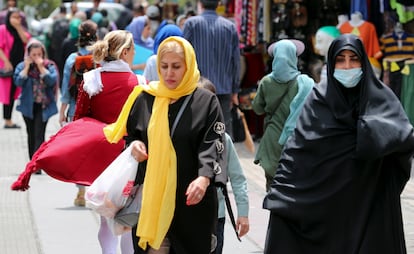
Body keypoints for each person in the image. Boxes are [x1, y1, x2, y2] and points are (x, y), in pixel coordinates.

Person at [262, 34, 414, 253]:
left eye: (354, 59)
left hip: (368, 204)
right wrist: (281, 196)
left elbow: (403, 139)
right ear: (331, 64)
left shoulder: (381, 100)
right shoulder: (317, 101)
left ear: (364, 62)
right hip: (326, 209)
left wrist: (374, 134)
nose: (347, 66)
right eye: (340, 60)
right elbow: (297, 152)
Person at [103, 36, 226, 253]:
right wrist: (135, 147)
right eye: (164, 66)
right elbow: (131, 138)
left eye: (176, 67)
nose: (169, 73)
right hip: (152, 202)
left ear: (188, 66)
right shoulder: (145, 98)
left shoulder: (206, 102)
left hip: (191, 203)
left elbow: (213, 144)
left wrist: (204, 177)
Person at [73, 30, 146, 254]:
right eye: (133, 50)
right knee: (125, 217)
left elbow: (79, 119)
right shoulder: (139, 82)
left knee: (106, 217)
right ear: (125, 53)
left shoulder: (92, 80)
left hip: (100, 158)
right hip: (129, 158)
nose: (135, 54)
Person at [252, 39, 314, 191]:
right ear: (294, 58)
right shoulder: (304, 83)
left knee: (272, 188)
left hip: (272, 141)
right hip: (296, 140)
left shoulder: (266, 82)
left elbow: (258, 109)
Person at [198, 76, 249, 254]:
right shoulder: (183, 137)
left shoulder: (223, 140)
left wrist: (243, 213)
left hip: (215, 216)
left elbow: (237, 178)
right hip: (187, 216)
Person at [183, 0, 240, 139]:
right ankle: (222, 160)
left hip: (196, 89)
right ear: (219, 4)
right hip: (223, 88)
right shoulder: (230, 27)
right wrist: (235, 90)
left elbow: (183, 56)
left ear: (200, 4)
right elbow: (236, 61)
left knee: (197, 132)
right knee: (222, 133)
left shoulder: (191, 24)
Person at [59, 19, 98, 206]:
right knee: (95, 148)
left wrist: (62, 111)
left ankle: (80, 191)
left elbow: (66, 87)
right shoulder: (100, 57)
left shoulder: (71, 59)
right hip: (97, 108)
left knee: (80, 149)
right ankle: (95, 188)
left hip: (77, 108)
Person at [14, 39, 58, 162]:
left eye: (39, 55)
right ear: (28, 55)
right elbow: (18, 81)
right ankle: (31, 161)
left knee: (39, 133)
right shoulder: (22, 66)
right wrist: (26, 68)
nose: (37, 57)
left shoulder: (49, 66)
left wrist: (41, 67)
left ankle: (37, 163)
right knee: (30, 133)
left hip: (44, 105)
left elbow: (52, 81)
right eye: (34, 55)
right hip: (27, 105)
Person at [0, 7, 31, 128]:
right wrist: (6, 62)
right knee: (7, 93)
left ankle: (9, 119)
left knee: (13, 93)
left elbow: (26, 40)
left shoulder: (22, 30)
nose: (16, 20)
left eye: (18, 18)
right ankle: (7, 120)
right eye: (14, 17)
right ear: (8, 18)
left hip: (19, 66)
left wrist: (18, 27)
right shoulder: (3, 29)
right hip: (7, 66)